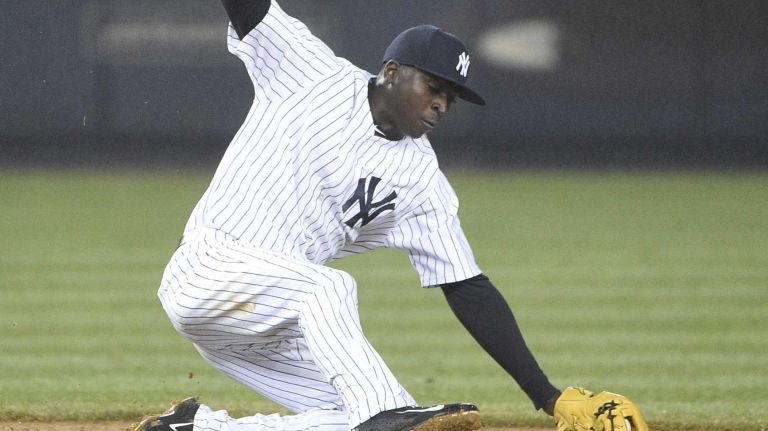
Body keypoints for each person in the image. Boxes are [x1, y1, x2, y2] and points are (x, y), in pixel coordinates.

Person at [133, 1, 649, 431]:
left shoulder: (420, 177)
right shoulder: (311, 75)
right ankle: (380, 411)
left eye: (451, 97)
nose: (442, 104)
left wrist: (548, 397)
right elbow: (250, 10)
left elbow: (467, 286)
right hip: (208, 269)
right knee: (332, 292)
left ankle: (195, 428)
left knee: (360, 416)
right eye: (434, 87)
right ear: (393, 72)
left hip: (266, 320)